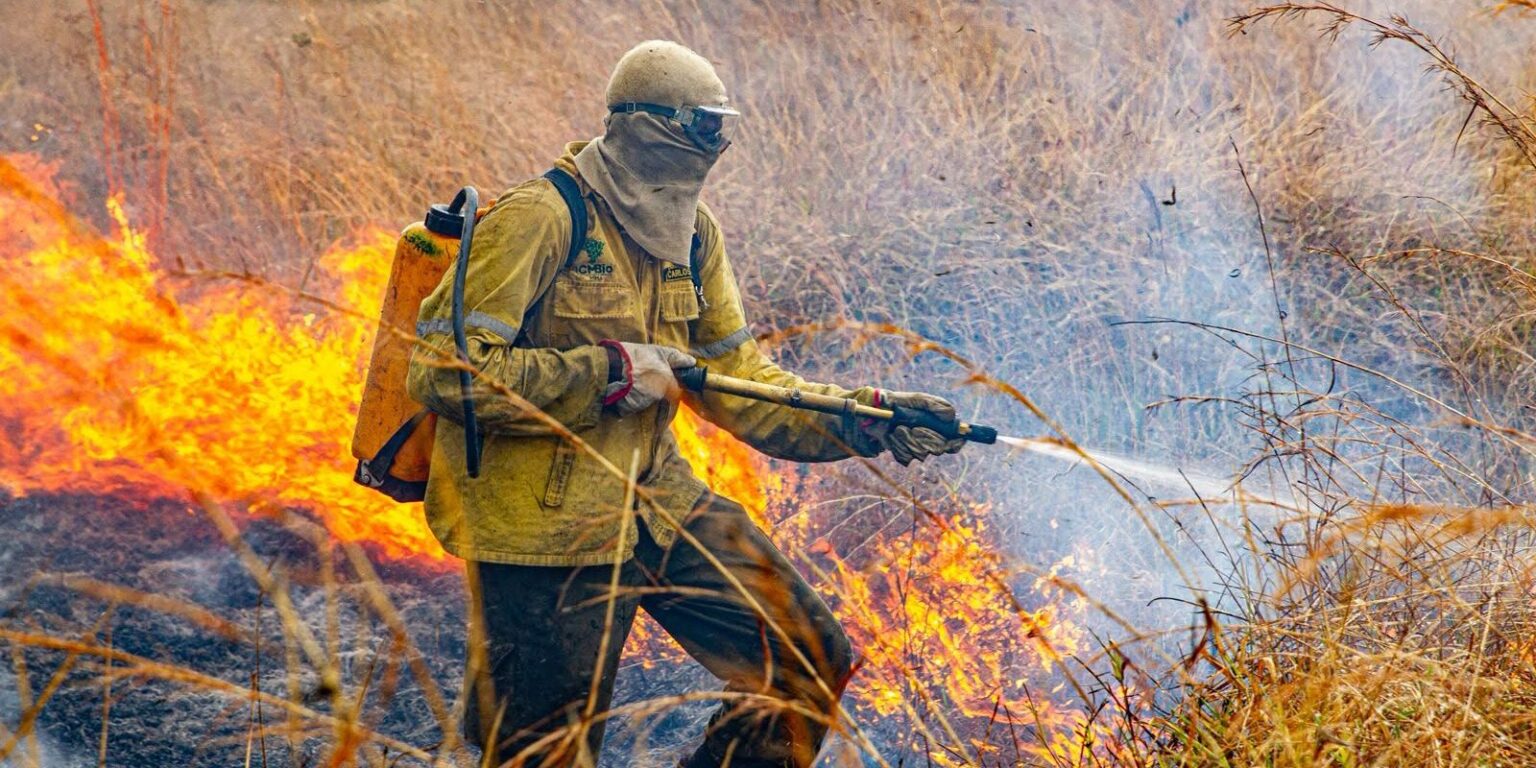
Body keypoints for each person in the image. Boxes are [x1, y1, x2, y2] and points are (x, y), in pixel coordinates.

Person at [407, 40, 966, 768]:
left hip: (655, 501)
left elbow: (740, 377)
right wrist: (603, 371)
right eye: (700, 125)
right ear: (644, 126)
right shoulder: (539, 218)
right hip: (544, 533)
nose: (714, 144)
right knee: (545, 754)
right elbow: (446, 372)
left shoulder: (693, 234)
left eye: (719, 125)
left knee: (803, 656)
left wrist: (863, 415)